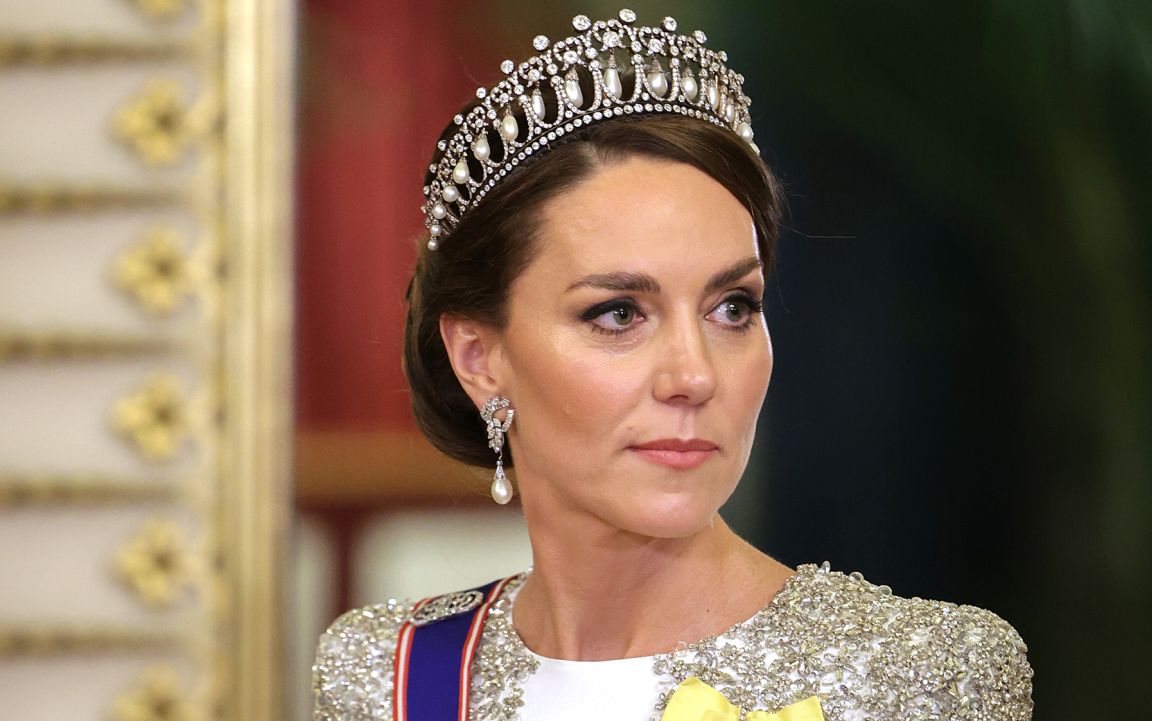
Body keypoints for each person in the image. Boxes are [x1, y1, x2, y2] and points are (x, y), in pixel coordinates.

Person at [312, 9, 1034, 721]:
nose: (695, 375)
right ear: (479, 358)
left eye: (732, 307)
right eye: (620, 313)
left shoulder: (927, 677)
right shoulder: (387, 675)